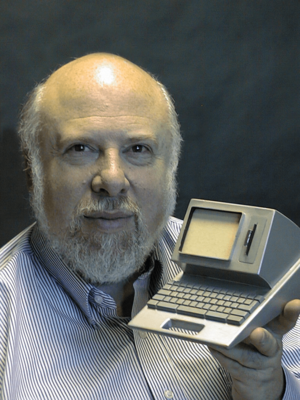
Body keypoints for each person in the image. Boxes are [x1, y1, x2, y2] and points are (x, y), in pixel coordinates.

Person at [0, 53, 300, 400]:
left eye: (138, 148)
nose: (112, 179)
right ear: (32, 171)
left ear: (170, 168)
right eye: (79, 148)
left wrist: (272, 388)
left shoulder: (262, 269)